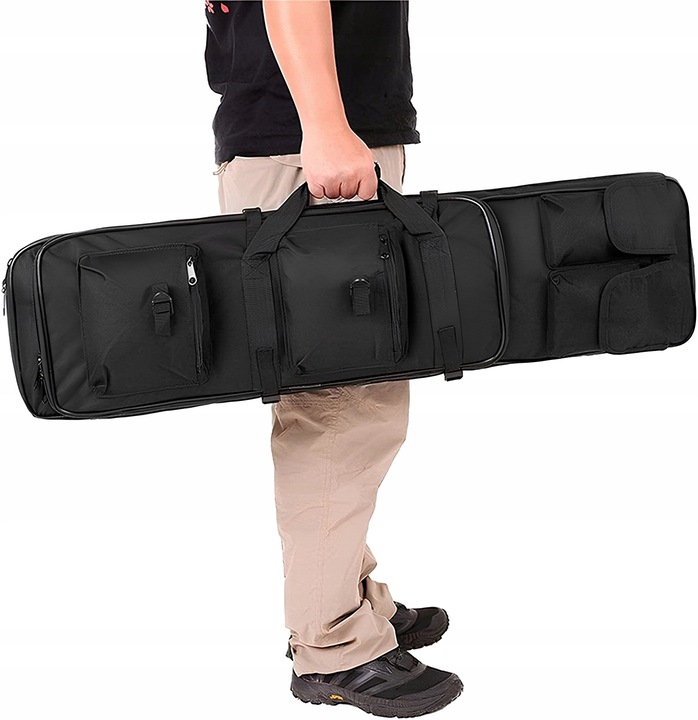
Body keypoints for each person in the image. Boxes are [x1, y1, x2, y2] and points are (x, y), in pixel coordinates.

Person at [204, 1, 463, 715]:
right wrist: (322, 126)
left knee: (345, 402)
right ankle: (333, 645)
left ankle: (345, 597)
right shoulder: (316, 133)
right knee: (340, 409)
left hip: (303, 139)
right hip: (310, 147)